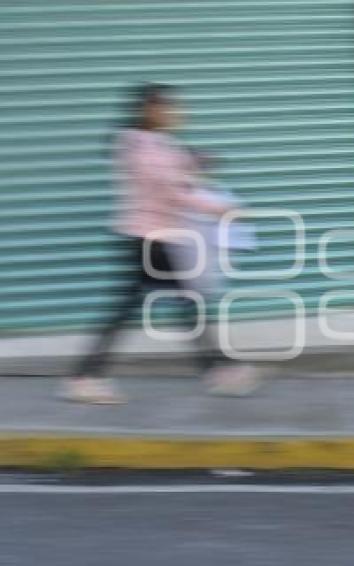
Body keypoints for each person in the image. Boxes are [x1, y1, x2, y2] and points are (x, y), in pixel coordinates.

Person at [61, 83, 238, 404]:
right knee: (157, 305)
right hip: (148, 240)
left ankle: (217, 370)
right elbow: (174, 193)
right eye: (169, 107)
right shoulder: (146, 150)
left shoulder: (148, 144)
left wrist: (196, 161)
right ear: (151, 111)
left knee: (181, 303)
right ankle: (85, 377)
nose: (177, 113)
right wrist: (222, 209)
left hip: (149, 237)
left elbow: (177, 167)